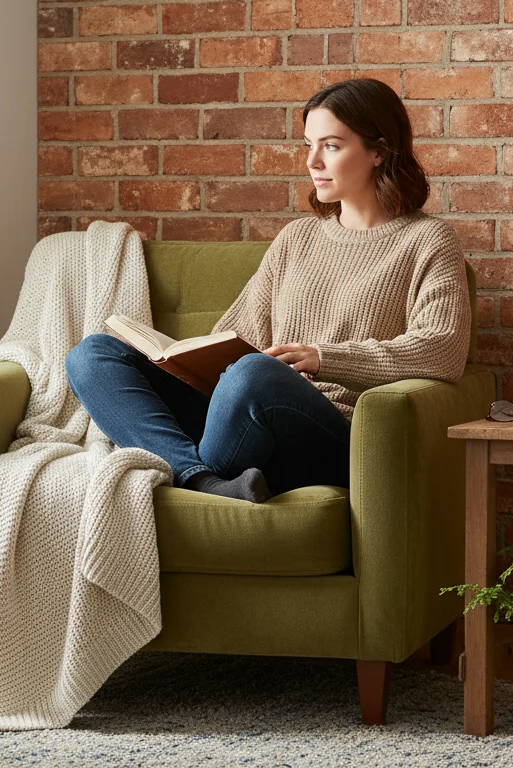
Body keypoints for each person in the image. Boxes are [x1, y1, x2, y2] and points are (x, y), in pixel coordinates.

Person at [65, 78, 472, 503]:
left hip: (328, 433)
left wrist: (324, 358)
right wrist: (178, 361)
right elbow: (235, 337)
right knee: (93, 354)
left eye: (331, 146)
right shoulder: (296, 238)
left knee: (256, 373)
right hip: (246, 421)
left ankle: (192, 471)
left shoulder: (428, 240)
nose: (313, 161)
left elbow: (442, 349)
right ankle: (201, 478)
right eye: (308, 145)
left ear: (379, 151)